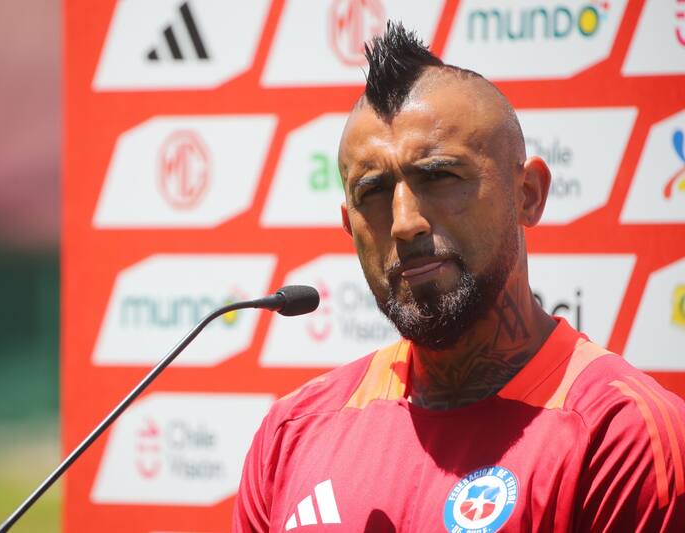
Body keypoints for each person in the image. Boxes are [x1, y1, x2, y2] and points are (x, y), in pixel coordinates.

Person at [233, 21, 685, 532]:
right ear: (348, 225)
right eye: (374, 193)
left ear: (529, 193)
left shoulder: (622, 436)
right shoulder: (292, 434)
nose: (405, 223)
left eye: (439, 176)